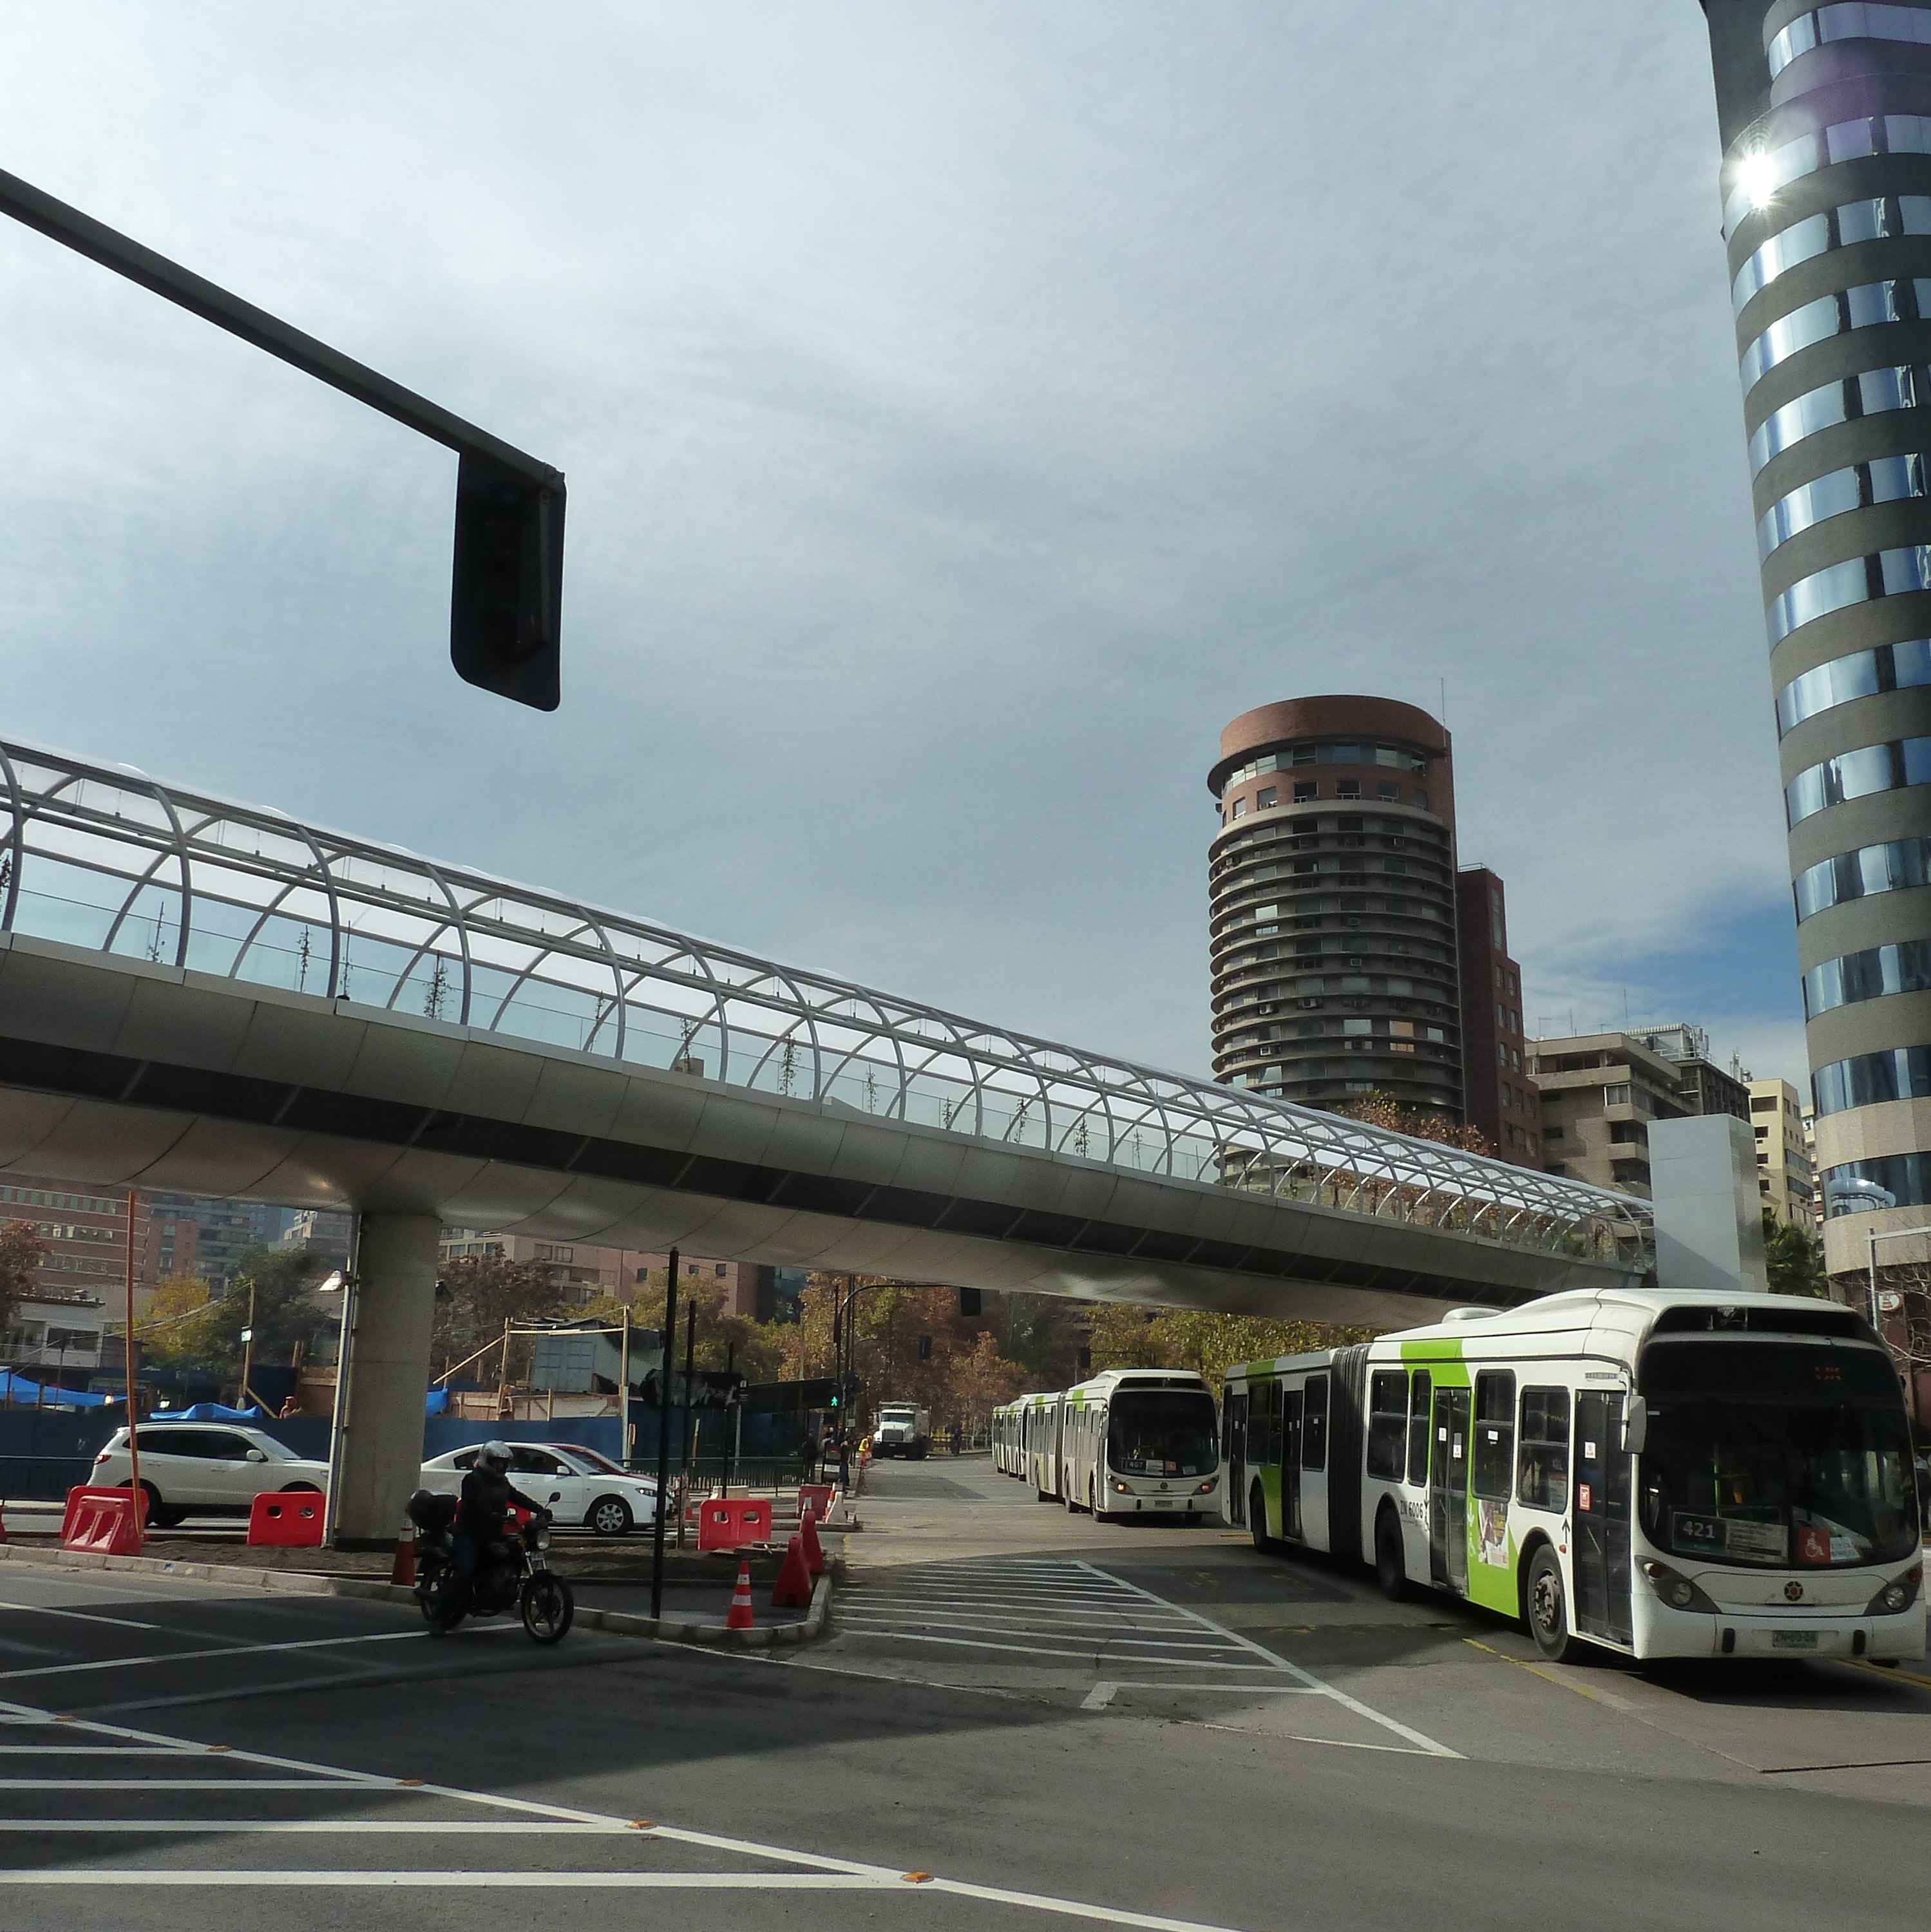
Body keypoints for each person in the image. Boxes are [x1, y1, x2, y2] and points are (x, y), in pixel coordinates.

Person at [452, 1441, 548, 1600]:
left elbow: (516, 1496)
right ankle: (439, 1617)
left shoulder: (502, 1481)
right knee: (465, 1573)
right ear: (486, 1460)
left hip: (493, 1532)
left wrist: (540, 1509)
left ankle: (501, 1587)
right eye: (497, 1462)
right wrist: (492, 1514)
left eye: (504, 1463)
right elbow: (474, 1503)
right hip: (470, 1533)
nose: (501, 1466)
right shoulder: (473, 1479)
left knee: (515, 1551)